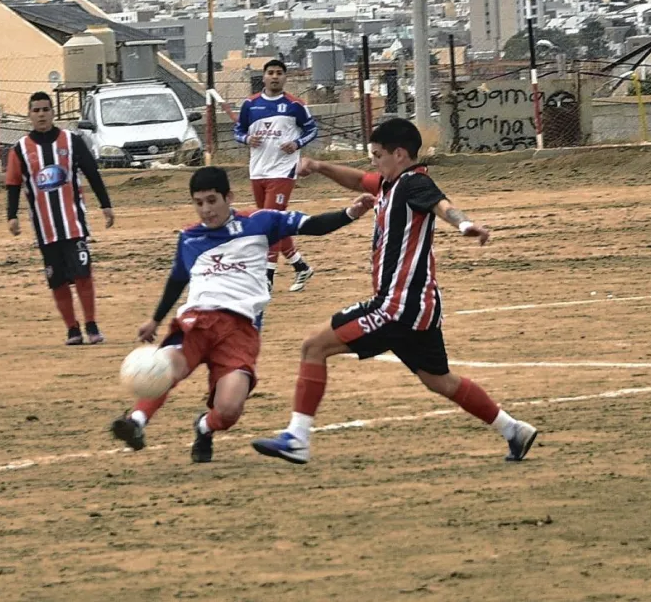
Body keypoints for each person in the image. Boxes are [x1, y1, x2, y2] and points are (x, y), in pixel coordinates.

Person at [252, 118, 538, 465]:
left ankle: (297, 439)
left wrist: (464, 224)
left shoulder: (414, 183)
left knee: (314, 346)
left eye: (377, 155)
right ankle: (513, 430)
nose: (373, 162)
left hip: (396, 306)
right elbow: (358, 180)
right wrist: (320, 166)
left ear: (399, 154)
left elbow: (441, 204)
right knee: (440, 380)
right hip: (419, 306)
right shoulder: (391, 184)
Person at [111, 166, 374, 463]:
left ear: (229, 197)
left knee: (229, 410)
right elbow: (177, 280)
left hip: (240, 331)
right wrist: (155, 320)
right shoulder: (189, 237)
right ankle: (136, 421)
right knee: (165, 367)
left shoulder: (260, 221)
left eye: (212, 201)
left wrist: (350, 213)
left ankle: (204, 427)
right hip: (197, 322)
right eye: (199, 203)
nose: (206, 210)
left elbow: (313, 225)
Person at [6, 91, 115, 346]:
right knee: (56, 280)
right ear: (29, 115)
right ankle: (72, 329)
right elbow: (12, 184)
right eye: (36, 110)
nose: (41, 114)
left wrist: (106, 205)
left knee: (83, 274)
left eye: (46, 109)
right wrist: (11, 216)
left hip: (73, 225)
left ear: (53, 113)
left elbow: (92, 172)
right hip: (45, 230)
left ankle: (91, 324)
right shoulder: (20, 149)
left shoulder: (71, 141)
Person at [233, 59, 319, 293]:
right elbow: (237, 130)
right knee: (275, 223)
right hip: (257, 170)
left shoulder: (295, 105)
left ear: (285, 77)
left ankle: (267, 277)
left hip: (283, 171)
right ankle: (300, 266)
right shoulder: (250, 104)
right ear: (263, 77)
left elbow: (312, 129)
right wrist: (247, 139)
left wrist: (297, 143)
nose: (274, 76)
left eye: (279, 73)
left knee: (269, 223)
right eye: (270, 72)